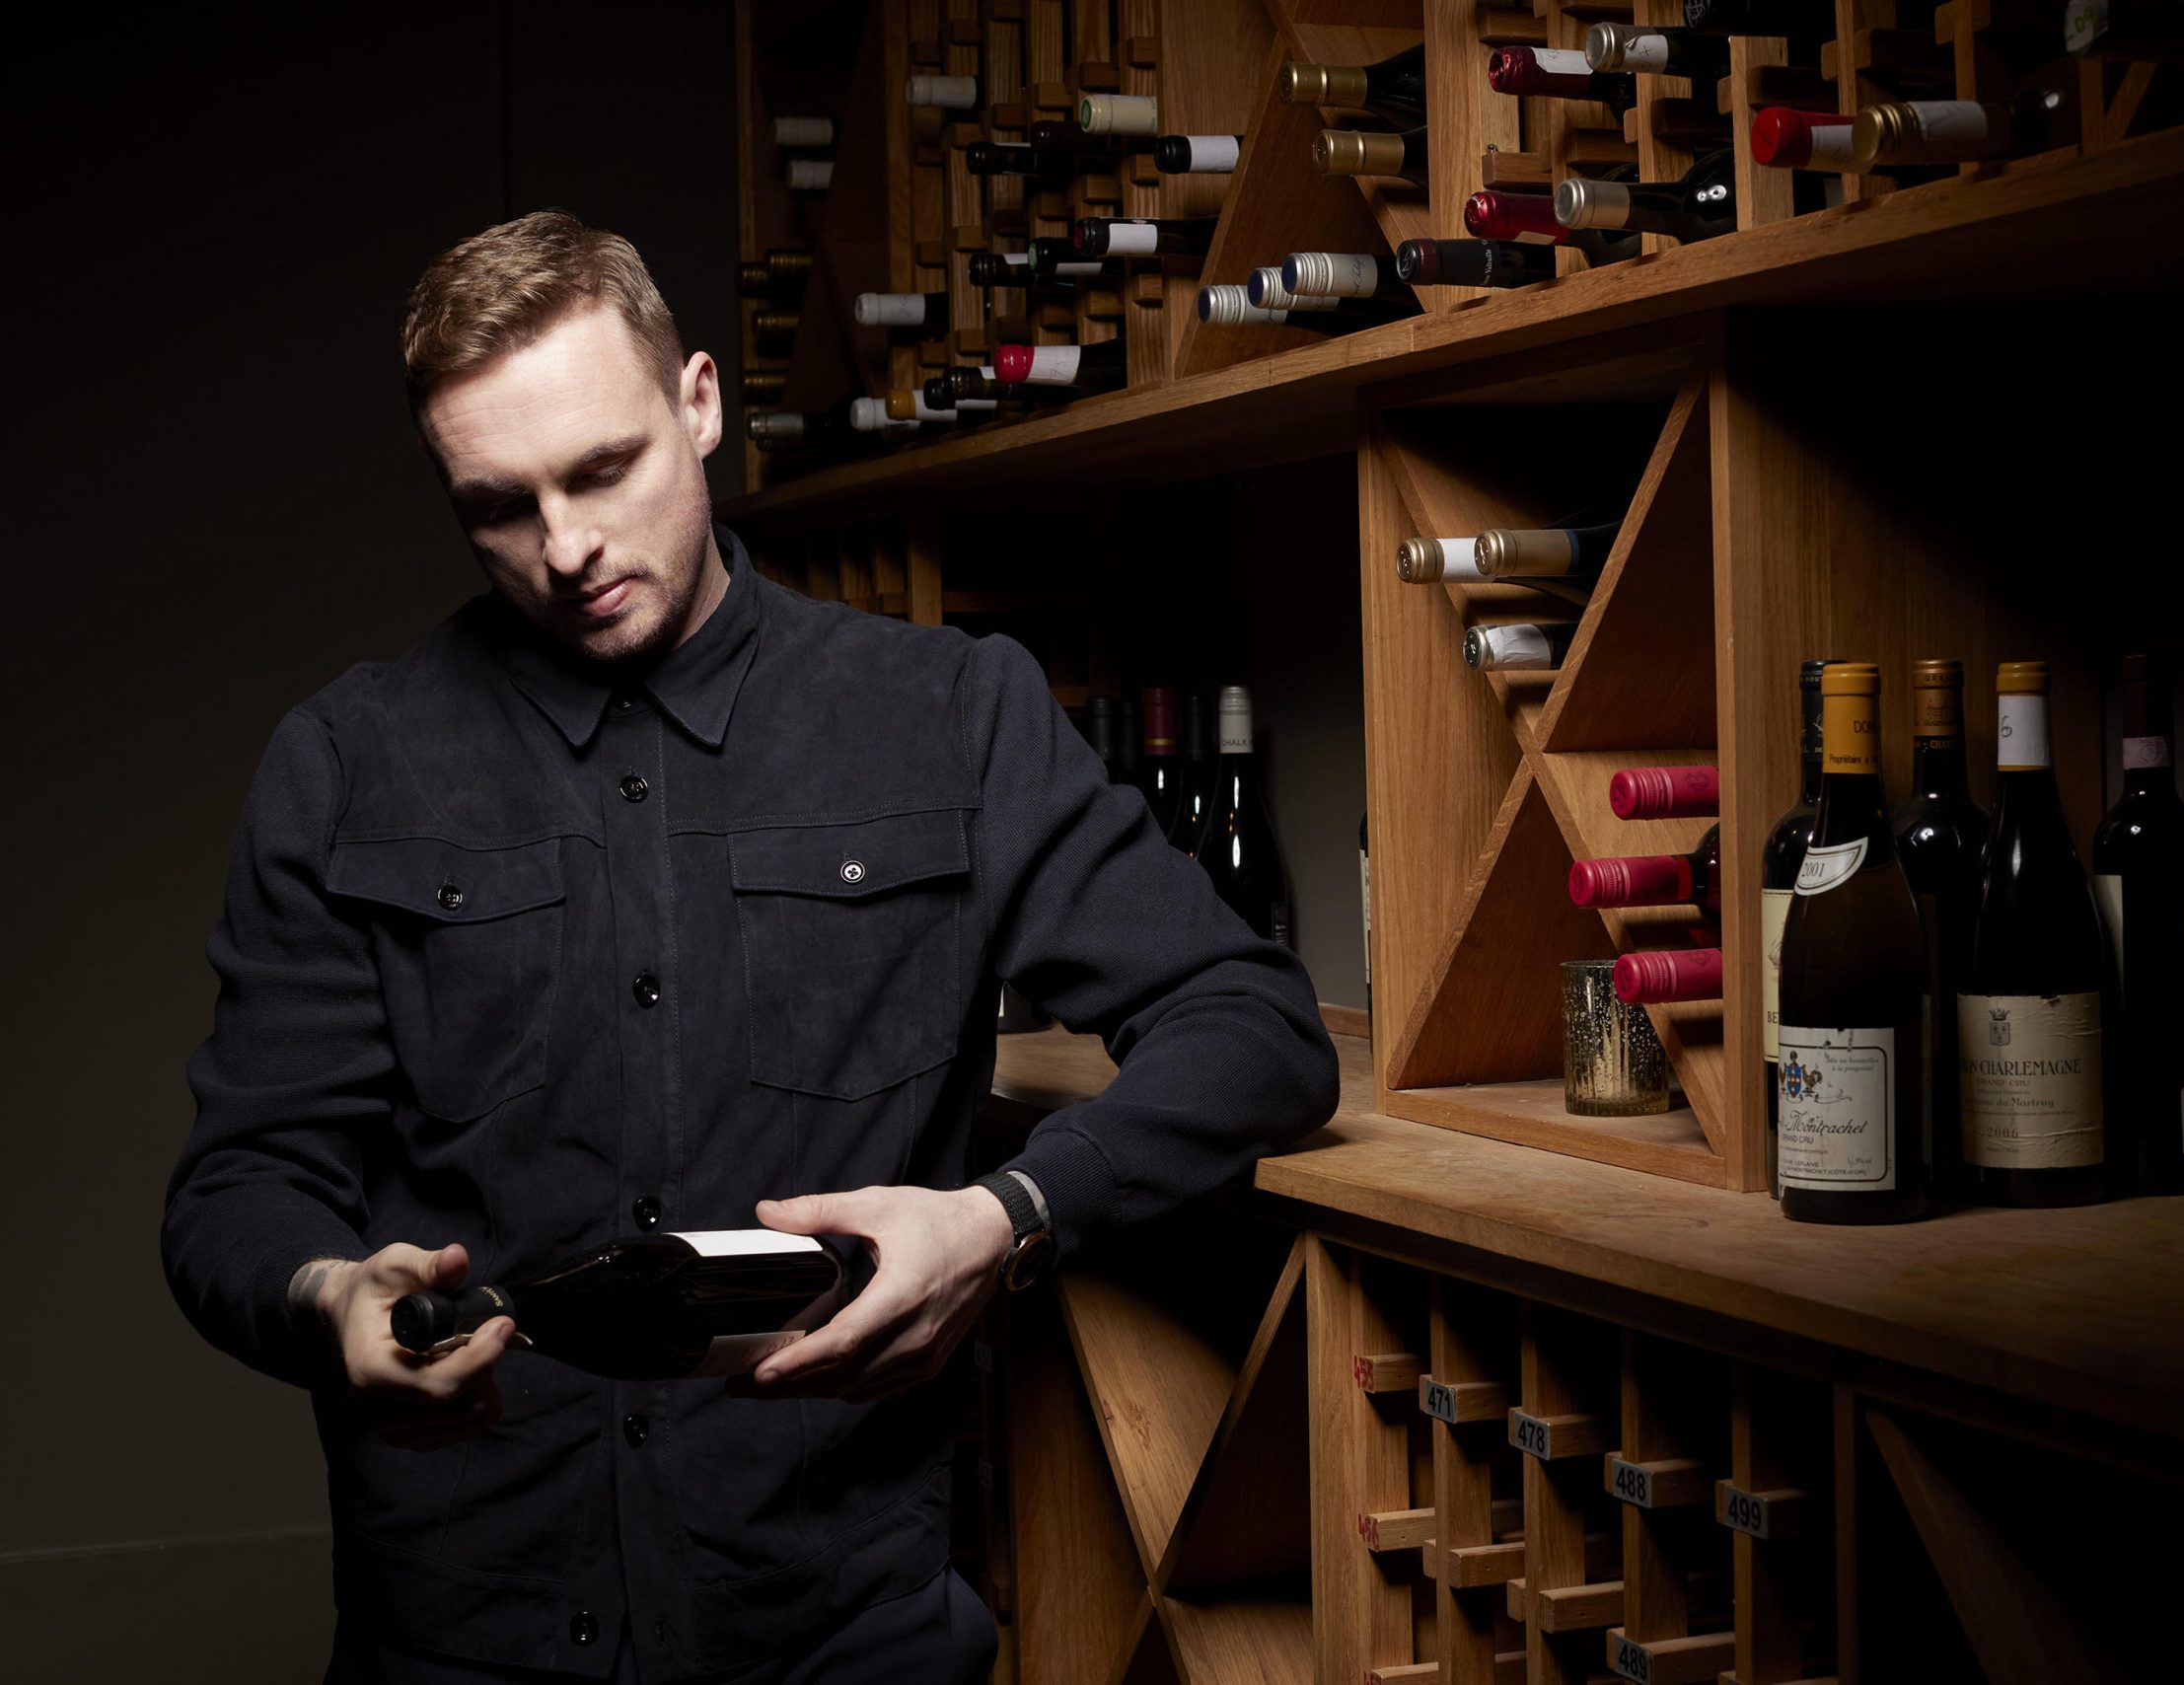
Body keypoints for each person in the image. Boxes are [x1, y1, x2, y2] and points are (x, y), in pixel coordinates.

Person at [159, 209, 1341, 1683]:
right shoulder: (343, 763)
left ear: (700, 403)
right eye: (497, 506)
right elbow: (236, 1188)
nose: (567, 547)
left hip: (841, 1639)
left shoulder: (949, 715)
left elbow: (1255, 1029)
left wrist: (1004, 1218)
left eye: (604, 470)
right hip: (461, 1644)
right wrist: (327, 1294)